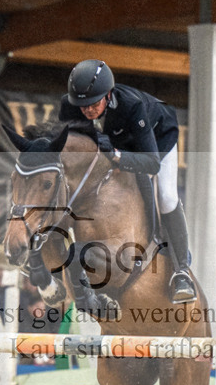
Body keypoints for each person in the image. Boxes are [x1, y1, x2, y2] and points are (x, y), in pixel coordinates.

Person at [59, 59, 196, 303]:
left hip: (156, 140)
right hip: (119, 143)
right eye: (82, 105)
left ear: (108, 95)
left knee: (166, 196)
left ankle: (181, 271)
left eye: (93, 104)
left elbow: (151, 162)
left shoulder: (131, 106)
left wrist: (117, 156)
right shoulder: (71, 105)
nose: (87, 110)